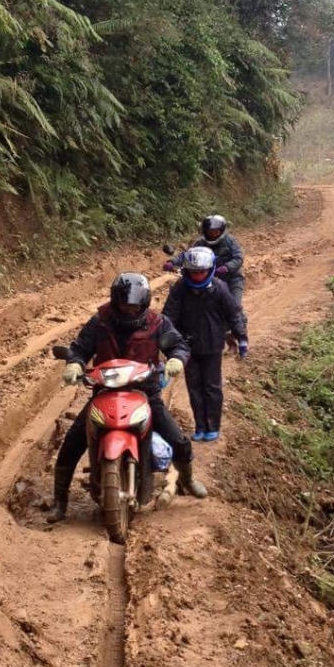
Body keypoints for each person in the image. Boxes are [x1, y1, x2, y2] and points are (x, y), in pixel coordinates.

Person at [47, 272, 207, 523]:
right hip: (105, 391)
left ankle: (187, 479)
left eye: (134, 305)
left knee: (178, 439)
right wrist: (75, 364)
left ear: (144, 303)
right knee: (70, 445)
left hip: (145, 391)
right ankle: (60, 503)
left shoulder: (157, 323)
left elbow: (178, 345)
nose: (129, 310)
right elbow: (80, 348)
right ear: (114, 301)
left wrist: (177, 358)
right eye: (124, 304)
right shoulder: (101, 321)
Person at [163, 247, 248, 442]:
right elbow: (168, 316)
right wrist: (164, 341)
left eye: (202, 271)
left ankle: (213, 425)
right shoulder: (180, 288)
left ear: (209, 270)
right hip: (187, 346)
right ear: (186, 271)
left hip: (212, 345)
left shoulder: (219, 288)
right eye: (194, 271)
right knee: (194, 388)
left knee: (211, 387)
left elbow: (233, 313)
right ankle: (200, 425)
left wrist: (242, 337)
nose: (198, 275)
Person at [164, 213, 246, 311]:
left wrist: (227, 267)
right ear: (205, 232)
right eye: (210, 232)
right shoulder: (201, 242)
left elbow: (238, 258)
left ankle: (240, 323)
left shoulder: (230, 241)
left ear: (222, 231)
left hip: (231, 279)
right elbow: (188, 254)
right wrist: (173, 262)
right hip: (208, 279)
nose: (212, 235)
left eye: (215, 232)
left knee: (234, 308)